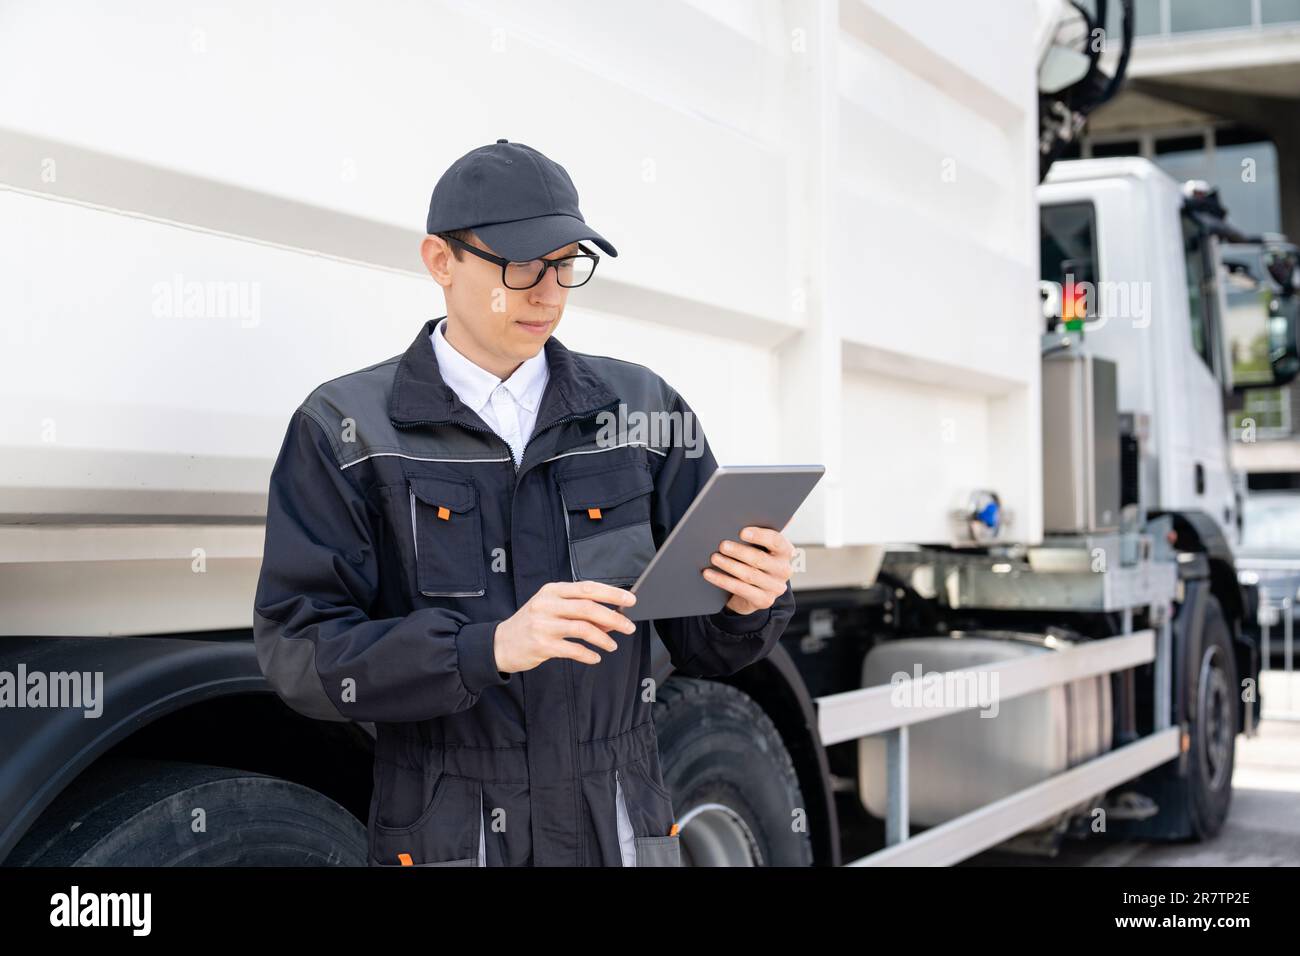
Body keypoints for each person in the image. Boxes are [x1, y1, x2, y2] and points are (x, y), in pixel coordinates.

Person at [253, 139, 796, 867]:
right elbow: (300, 653)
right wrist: (488, 648)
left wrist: (747, 601)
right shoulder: (347, 429)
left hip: (621, 823)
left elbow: (705, 645)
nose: (549, 293)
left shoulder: (641, 410)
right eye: (521, 266)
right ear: (441, 262)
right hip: (452, 832)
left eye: (567, 264)